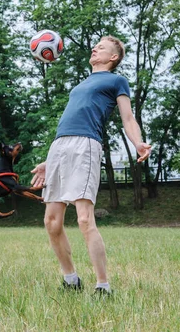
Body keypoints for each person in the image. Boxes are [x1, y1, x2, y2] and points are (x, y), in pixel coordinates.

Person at [30, 36, 152, 295]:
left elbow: (128, 118)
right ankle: (71, 280)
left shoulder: (117, 81)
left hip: (86, 146)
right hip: (60, 147)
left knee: (84, 219)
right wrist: (49, 161)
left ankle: (103, 286)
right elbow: (70, 121)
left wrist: (138, 143)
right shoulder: (82, 84)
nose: (95, 48)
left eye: (102, 47)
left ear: (113, 57)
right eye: (95, 45)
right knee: (51, 221)